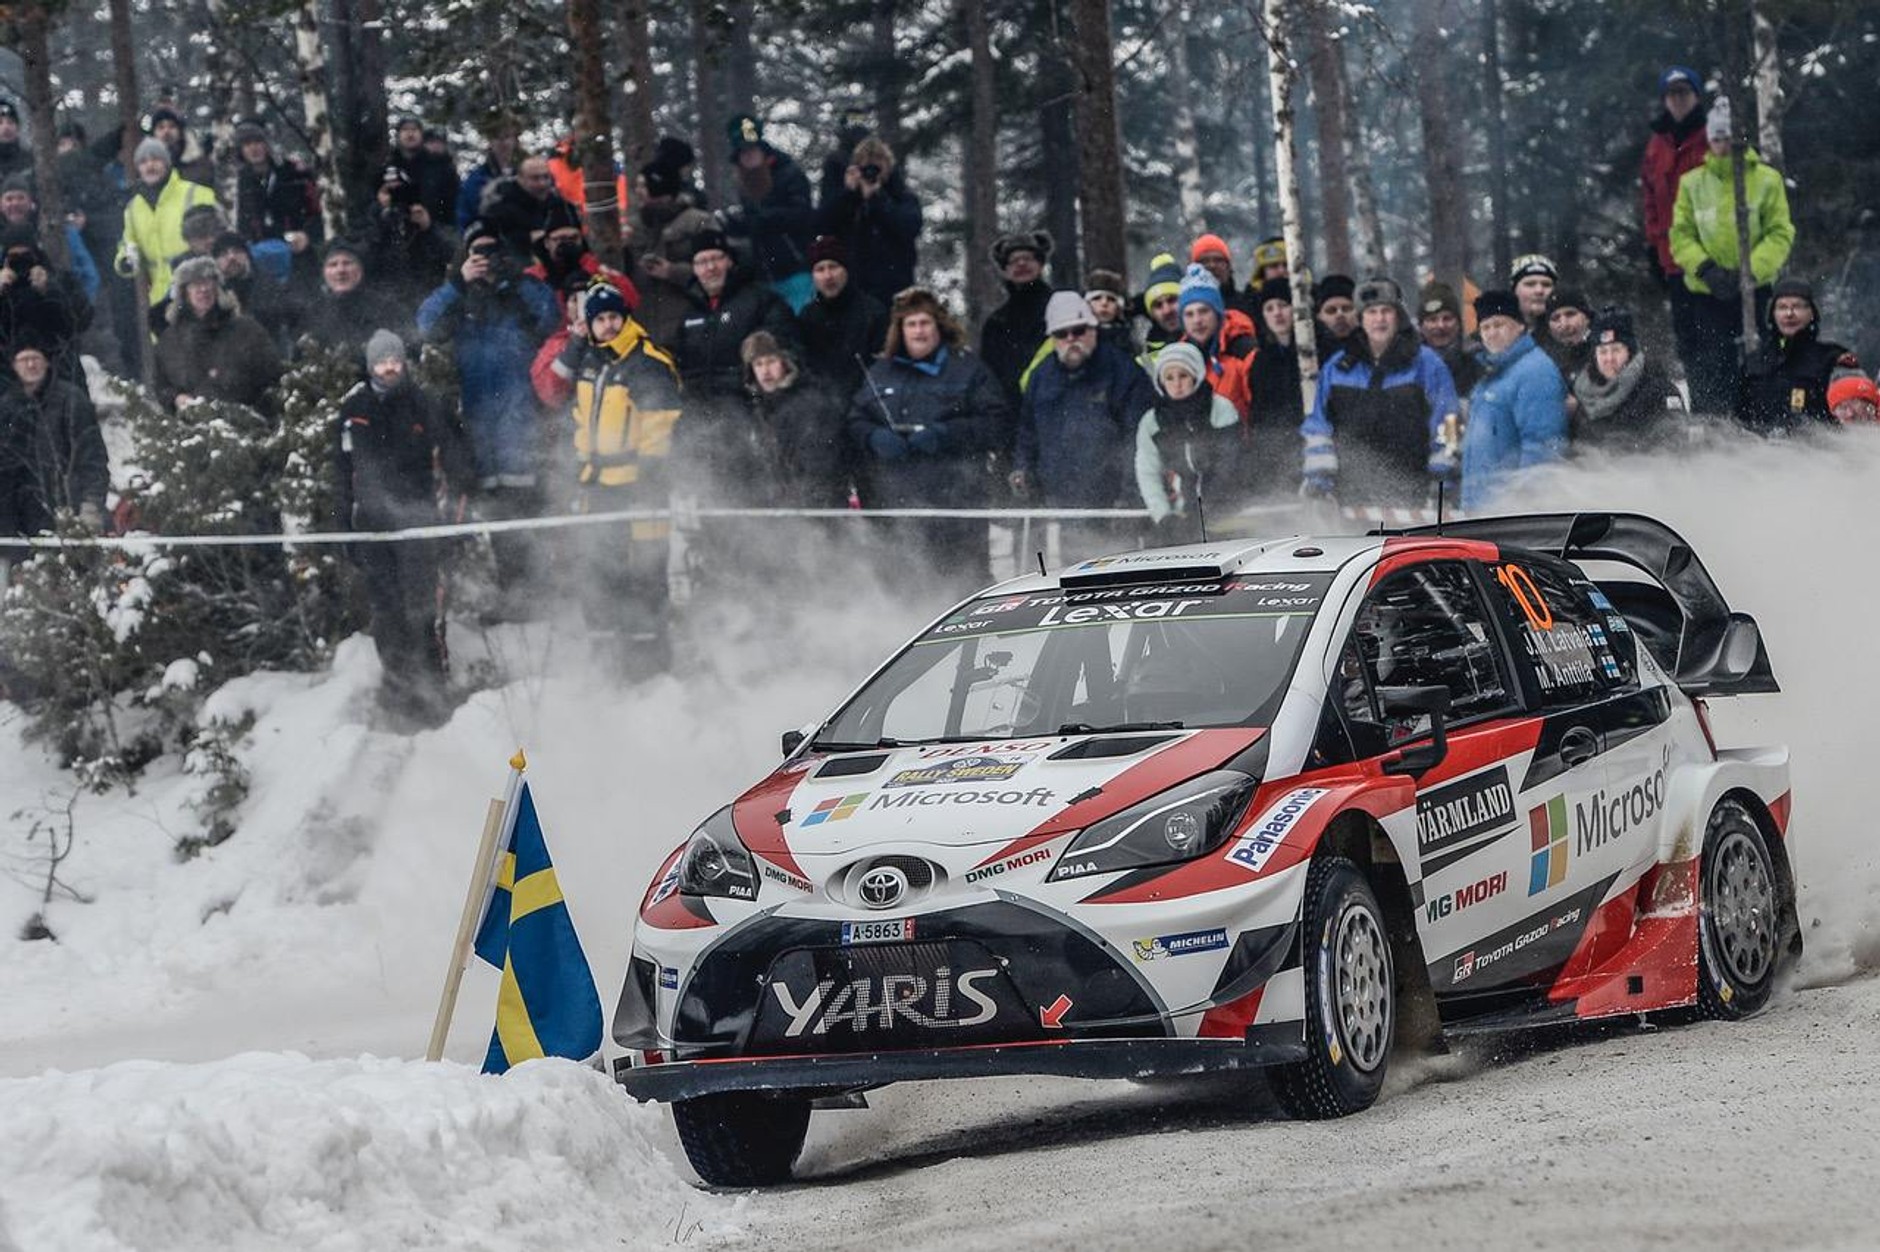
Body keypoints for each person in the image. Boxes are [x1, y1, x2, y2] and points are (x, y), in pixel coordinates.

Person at [333, 329, 471, 727]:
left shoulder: (424, 403)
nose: (389, 368)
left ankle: (432, 694)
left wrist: (452, 525)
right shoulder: (354, 408)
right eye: (381, 362)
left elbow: (457, 457)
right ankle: (397, 694)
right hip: (373, 524)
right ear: (370, 365)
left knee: (420, 608)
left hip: (418, 520)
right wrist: (343, 525)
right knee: (385, 611)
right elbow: (341, 470)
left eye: (395, 361)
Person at [554, 284, 682, 670]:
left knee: (644, 570)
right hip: (599, 485)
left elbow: (660, 425)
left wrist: (651, 478)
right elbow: (581, 417)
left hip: (638, 484)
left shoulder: (646, 361)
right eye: (600, 319)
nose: (608, 326)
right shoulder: (593, 363)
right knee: (600, 567)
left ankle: (650, 660)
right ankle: (607, 655)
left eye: (614, 317)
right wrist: (580, 461)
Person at [847, 286, 1006, 584]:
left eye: (925, 323)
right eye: (911, 324)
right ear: (900, 330)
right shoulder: (881, 371)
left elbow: (995, 422)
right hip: (898, 504)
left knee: (964, 584)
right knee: (904, 585)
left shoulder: (967, 369)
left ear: (938, 326)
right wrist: (873, 437)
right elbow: (856, 420)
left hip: (957, 506)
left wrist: (946, 434)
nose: (918, 331)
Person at [1669, 96, 1795, 416]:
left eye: (1727, 137)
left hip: (1755, 289)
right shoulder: (1692, 183)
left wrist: (1750, 272)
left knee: (1762, 358)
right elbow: (1681, 234)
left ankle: (1764, 419)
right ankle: (1716, 428)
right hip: (1708, 292)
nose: (1722, 144)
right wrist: (1706, 268)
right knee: (1713, 363)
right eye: (1716, 138)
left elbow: (1780, 232)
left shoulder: (1767, 180)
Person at [416, 221, 559, 492]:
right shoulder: (459, 293)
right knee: (487, 496)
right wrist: (458, 282)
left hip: (520, 407)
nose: (486, 258)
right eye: (478, 252)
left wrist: (515, 278)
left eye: (492, 250)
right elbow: (426, 325)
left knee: (523, 492)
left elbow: (549, 315)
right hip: (476, 408)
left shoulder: (523, 286)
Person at [1300, 276, 1459, 507]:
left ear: (1399, 316)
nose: (1379, 319)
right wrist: (1319, 479)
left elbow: (1448, 421)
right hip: (1350, 497)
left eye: (1387, 311)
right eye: (1372, 312)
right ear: (1360, 318)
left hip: (1416, 495)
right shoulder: (1337, 368)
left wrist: (1442, 480)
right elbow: (1318, 427)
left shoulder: (1426, 364)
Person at [670, 226, 797, 500]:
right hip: (700, 425)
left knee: (749, 499)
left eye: (715, 259)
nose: (710, 268)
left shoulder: (761, 301)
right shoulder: (689, 313)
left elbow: (780, 355)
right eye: (701, 262)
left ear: (730, 261)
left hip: (747, 421)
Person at [1011, 292, 1153, 520]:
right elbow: (1028, 433)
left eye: (1078, 330)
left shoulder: (1123, 371)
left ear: (1093, 329)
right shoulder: (1040, 377)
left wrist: (1130, 496)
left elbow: (1138, 437)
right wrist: (1023, 468)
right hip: (1057, 504)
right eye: (1061, 333)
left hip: (1112, 503)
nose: (1071, 339)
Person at [1460, 289, 1567, 510]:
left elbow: (1543, 447)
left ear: (1519, 326)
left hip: (1511, 514)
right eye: (1485, 327)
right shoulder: (1492, 375)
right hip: (1482, 509)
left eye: (1499, 325)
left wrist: (1522, 506)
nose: (1491, 333)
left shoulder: (1534, 371)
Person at [0, 332, 108, 540]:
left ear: (47, 363)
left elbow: (92, 458)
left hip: (65, 510)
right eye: (24, 360)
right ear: (14, 365)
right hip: (16, 522)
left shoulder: (71, 400)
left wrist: (91, 505)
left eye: (36, 359)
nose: (31, 365)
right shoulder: (7, 407)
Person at [1640, 66, 1710, 385]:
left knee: (1717, 336)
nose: (1678, 100)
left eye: (1684, 92)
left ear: (1696, 95)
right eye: (1672, 94)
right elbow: (1650, 197)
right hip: (1673, 257)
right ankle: (1700, 408)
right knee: (1687, 337)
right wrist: (1654, 245)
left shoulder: (1711, 136)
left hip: (1711, 257)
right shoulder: (1657, 143)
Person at [1134, 341, 1242, 543]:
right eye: (1169, 377)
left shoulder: (1220, 409)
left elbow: (1229, 463)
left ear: (1196, 376)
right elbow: (1147, 471)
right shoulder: (1152, 421)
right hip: (1180, 516)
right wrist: (1163, 516)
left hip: (1225, 512)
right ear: (1161, 382)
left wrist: (1204, 510)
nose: (1177, 384)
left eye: (1183, 376)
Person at [152, 255, 284, 414]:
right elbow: (161, 386)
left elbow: (272, 378)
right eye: (196, 284)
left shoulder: (247, 331)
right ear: (184, 292)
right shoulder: (170, 340)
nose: (203, 289)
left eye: (208, 282)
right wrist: (176, 399)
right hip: (192, 429)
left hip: (246, 426)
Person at [1735, 278, 1860, 434]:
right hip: (1758, 451)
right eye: (1782, 307)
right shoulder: (1754, 361)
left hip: (1818, 452)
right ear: (1772, 314)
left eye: (1798, 307)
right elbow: (1738, 416)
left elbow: (1856, 413)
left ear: (1812, 313)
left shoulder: (1832, 358)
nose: (1789, 314)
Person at [722, 114, 817, 311]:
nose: (748, 156)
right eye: (743, 152)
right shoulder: (743, 184)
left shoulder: (790, 174)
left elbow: (802, 215)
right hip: (765, 273)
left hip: (796, 267)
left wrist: (765, 218)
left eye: (752, 150)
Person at [743, 329, 847, 507]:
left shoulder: (810, 403)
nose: (765, 371)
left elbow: (819, 466)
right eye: (758, 364)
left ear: (786, 363)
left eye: (771, 361)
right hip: (778, 507)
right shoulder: (759, 408)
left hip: (813, 507)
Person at [816, 134, 920, 308]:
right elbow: (821, 226)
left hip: (894, 287)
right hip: (853, 287)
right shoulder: (848, 199)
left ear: (889, 166)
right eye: (865, 165)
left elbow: (909, 227)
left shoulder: (901, 197)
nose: (872, 171)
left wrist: (877, 199)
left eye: (878, 164)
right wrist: (848, 194)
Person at [114, 136, 218, 309]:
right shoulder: (133, 207)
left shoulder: (196, 193)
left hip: (198, 288)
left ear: (167, 163)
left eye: (156, 159)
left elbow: (219, 236)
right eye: (143, 162)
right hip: (159, 296)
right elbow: (128, 244)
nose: (150, 166)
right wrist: (125, 260)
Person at [1570, 307, 1686, 452]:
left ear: (1630, 352)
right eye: (1603, 351)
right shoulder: (1583, 396)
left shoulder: (1659, 391)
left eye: (1616, 349)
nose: (1609, 358)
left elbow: (1675, 441)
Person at [794, 234, 888, 402]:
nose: (828, 275)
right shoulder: (807, 316)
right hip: (822, 404)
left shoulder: (873, 312)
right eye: (820, 269)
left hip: (866, 402)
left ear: (846, 270)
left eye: (833, 266)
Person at [978, 230, 1054, 418]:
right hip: (1012, 414)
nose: (1021, 264)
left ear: (1041, 263)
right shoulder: (996, 322)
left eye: (1028, 258)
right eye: (1013, 260)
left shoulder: (1059, 308)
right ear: (1005, 269)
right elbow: (990, 377)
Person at [0, 227, 92, 382]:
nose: (21, 263)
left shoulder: (61, 280)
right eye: (14, 258)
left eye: (26, 257)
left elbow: (81, 319)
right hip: (5, 370)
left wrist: (50, 290)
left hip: (57, 366)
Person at [365, 165, 457, 311]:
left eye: (400, 191)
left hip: (425, 300)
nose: (395, 196)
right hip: (383, 304)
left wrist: (428, 229)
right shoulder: (367, 223)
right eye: (389, 191)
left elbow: (453, 255)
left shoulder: (422, 218)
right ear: (378, 194)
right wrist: (382, 221)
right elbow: (365, 257)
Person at [300, 240, 407, 361]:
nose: (341, 270)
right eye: (333, 264)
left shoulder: (386, 308)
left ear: (360, 270)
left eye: (347, 263)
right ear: (324, 273)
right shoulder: (313, 313)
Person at [1243, 276, 1302, 497]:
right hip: (1277, 454)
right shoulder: (1260, 362)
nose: (1277, 313)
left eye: (1283, 305)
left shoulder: (1317, 351)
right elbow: (1259, 416)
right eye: (1270, 308)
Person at [230, 120, 317, 265]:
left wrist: (308, 234)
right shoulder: (236, 183)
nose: (253, 148)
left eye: (258, 141)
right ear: (240, 150)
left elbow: (316, 210)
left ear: (267, 144)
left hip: (297, 250)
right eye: (247, 144)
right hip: (257, 255)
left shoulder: (294, 173)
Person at [1175, 264, 1253, 418]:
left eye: (1203, 311)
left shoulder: (1243, 351)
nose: (1197, 320)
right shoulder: (1177, 360)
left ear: (1217, 314)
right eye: (1189, 314)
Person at [389, 115, 460, 228]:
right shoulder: (391, 164)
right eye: (405, 130)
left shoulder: (443, 169)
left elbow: (451, 204)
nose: (410, 134)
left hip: (436, 229)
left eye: (414, 130)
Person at [1416, 281, 1480, 397]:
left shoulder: (1475, 366)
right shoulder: (1410, 367)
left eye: (1447, 318)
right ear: (1421, 326)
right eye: (1432, 320)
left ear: (1459, 323)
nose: (1441, 326)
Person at [457, 116, 520, 232]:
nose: (503, 143)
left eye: (506, 137)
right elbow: (465, 217)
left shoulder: (526, 173)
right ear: (490, 142)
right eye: (497, 138)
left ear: (514, 140)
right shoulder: (475, 179)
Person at [1190, 234, 1259, 318]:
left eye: (1218, 260)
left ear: (1228, 266)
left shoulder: (1248, 305)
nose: (1212, 265)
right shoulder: (1186, 309)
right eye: (1204, 261)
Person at [1137, 252, 1185, 366]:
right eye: (1158, 305)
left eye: (1172, 300)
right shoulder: (1143, 363)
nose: (1167, 310)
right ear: (1151, 313)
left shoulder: (1211, 345)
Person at [1540, 288, 1595, 383]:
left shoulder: (1605, 351)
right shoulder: (1544, 358)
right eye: (1555, 318)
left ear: (1587, 317)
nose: (1564, 324)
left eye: (1570, 314)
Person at [1083, 268, 1135, 356]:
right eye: (1097, 298)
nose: (1104, 303)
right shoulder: (1077, 339)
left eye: (1111, 299)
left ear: (1119, 307)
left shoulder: (1130, 343)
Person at [1313, 274, 1360, 363]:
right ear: (1319, 317)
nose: (1340, 315)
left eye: (1346, 309)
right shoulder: (1310, 352)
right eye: (1331, 311)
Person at [1510, 254, 1558, 329]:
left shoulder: (1568, 333)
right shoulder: (1495, 331)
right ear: (1514, 290)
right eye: (1530, 284)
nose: (1539, 291)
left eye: (1546, 285)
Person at [0, 101, 31, 185]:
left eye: (10, 122)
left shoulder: (29, 159)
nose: (6, 127)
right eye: (0, 123)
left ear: (17, 127)